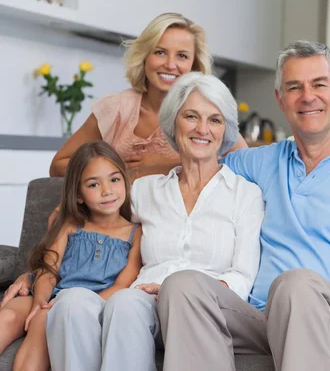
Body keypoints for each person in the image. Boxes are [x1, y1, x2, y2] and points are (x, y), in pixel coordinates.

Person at [157, 41, 330, 371]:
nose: (308, 96)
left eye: (319, 84)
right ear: (280, 99)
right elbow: (195, 161)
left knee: (296, 286)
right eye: (294, 87)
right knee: (183, 285)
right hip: (259, 316)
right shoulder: (257, 162)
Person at [44, 72, 264, 371]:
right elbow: (94, 222)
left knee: (128, 302)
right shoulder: (144, 191)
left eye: (215, 119)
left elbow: (243, 275)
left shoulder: (244, 194)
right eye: (191, 116)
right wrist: (35, 271)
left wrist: (181, 289)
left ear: (225, 130)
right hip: (141, 302)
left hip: (205, 307)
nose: (202, 129)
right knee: (73, 303)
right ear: (174, 122)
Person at [0, 141, 142, 371]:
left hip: (90, 305)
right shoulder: (71, 225)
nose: (107, 190)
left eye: (114, 180)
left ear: (125, 182)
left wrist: (52, 309)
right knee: (7, 316)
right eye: (94, 184)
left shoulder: (136, 233)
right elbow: (49, 271)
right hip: (49, 295)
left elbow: (122, 285)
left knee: (42, 323)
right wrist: (41, 303)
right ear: (78, 195)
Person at [49, 12, 225, 180]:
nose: (170, 65)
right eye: (160, 52)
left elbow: (244, 165)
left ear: (193, 65)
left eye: (182, 56)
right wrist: (112, 171)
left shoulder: (210, 111)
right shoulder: (115, 108)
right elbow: (58, 165)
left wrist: (167, 165)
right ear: (144, 57)